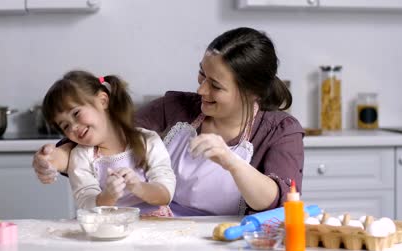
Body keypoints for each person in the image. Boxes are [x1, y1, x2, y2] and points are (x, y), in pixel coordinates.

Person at [33, 27, 304, 216]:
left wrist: (229, 161)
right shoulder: (174, 109)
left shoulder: (280, 131)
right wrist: (56, 157)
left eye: (216, 86)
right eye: (201, 75)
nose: (201, 91)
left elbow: (276, 201)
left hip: (231, 243)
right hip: (163, 232)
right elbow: (109, 135)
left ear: (251, 92)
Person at [40, 70, 176, 217]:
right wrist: (108, 196)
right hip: (107, 230)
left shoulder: (148, 141)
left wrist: (138, 187)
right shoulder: (81, 156)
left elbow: (166, 194)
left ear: (102, 101)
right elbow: (86, 204)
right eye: (65, 126)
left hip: (154, 229)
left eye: (76, 113)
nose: (73, 127)